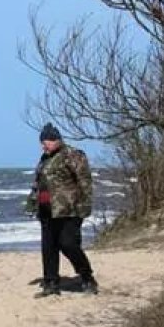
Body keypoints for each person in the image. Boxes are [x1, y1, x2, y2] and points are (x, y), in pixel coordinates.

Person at [25, 123, 98, 298]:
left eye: (48, 141)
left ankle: (87, 277)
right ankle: (51, 283)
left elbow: (85, 182)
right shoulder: (45, 159)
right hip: (47, 211)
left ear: (57, 140)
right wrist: (31, 202)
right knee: (48, 248)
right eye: (43, 142)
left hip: (69, 210)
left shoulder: (73, 154)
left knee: (68, 244)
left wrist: (85, 206)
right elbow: (38, 184)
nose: (44, 145)